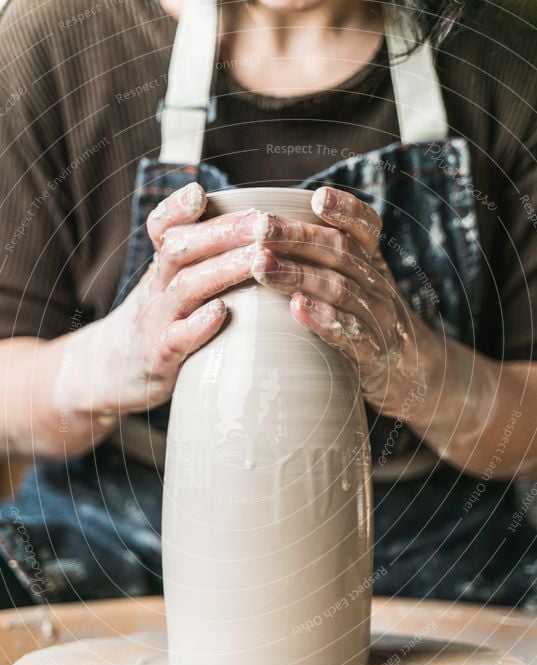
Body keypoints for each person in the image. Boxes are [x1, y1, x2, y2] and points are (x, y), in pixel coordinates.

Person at [0, 0, 536, 609]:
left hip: (434, 542)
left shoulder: (505, 49)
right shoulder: (57, 37)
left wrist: (422, 373)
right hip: (108, 527)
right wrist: (113, 360)